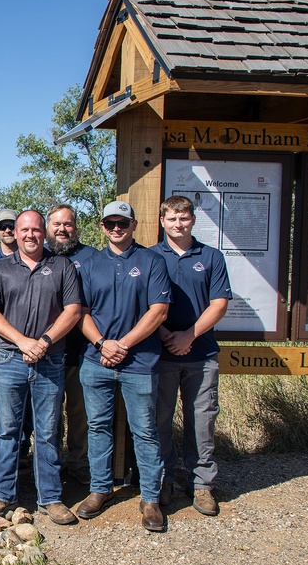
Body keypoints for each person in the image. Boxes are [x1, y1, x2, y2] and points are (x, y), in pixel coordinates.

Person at [0, 210, 82, 525]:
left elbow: (74, 310)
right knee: (7, 430)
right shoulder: (0, 269)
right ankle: (3, 494)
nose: (30, 235)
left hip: (50, 359)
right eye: (24, 230)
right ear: (16, 233)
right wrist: (24, 341)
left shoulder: (62, 266)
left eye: (36, 230)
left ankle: (50, 498)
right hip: (11, 359)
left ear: (44, 233)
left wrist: (45, 341)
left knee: (48, 431)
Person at [77, 200, 171, 532]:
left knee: (145, 432)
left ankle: (150, 499)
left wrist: (124, 345)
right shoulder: (90, 264)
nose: (116, 229)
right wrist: (103, 344)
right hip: (96, 361)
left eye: (122, 223)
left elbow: (159, 311)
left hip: (140, 362)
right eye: (110, 224)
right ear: (102, 227)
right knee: (97, 428)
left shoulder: (152, 261)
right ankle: (100, 489)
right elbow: (81, 312)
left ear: (134, 225)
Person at [151, 195, 231, 516]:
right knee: (160, 420)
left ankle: (202, 484)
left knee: (202, 420)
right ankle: (166, 479)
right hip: (162, 354)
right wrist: (166, 335)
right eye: (172, 219)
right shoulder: (151, 257)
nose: (178, 224)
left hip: (202, 354)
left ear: (193, 220)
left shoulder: (211, 257)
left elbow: (219, 303)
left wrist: (188, 335)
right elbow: (144, 304)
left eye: (183, 218)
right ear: (162, 222)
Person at [45, 204, 98, 484]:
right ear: (47, 228)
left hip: (82, 352)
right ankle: (50, 464)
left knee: (80, 413)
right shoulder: (38, 256)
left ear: (75, 228)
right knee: (49, 416)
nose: (62, 229)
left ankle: (78, 463)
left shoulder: (92, 258)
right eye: (56, 224)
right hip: (46, 354)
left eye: (67, 224)